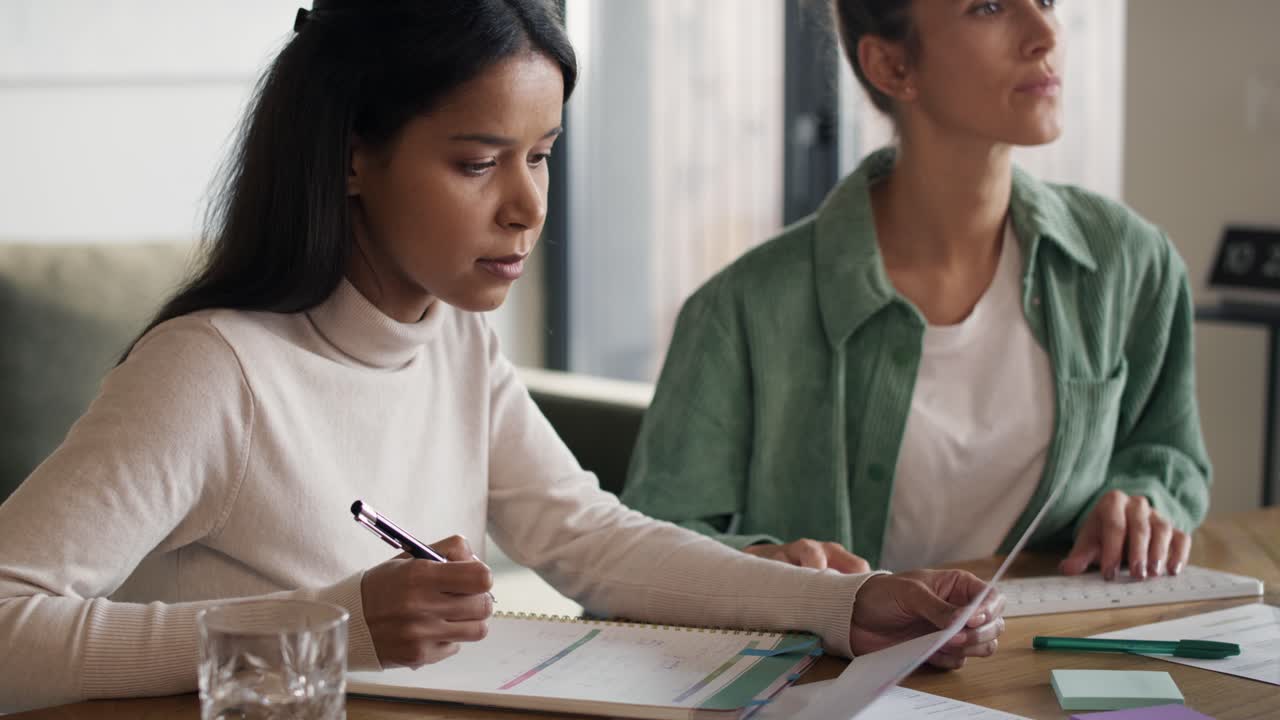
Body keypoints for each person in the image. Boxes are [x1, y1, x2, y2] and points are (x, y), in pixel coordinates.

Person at [0, 0, 1006, 712]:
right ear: (352, 157)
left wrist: (843, 604)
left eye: (541, 155)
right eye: (478, 161)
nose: (526, 206)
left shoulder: (453, 340)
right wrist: (332, 623)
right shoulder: (212, 370)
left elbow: (593, 542)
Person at [623, 0, 1210, 581]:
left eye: (1047, 1)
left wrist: (1141, 499)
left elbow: (1165, 452)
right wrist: (761, 569)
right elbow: (649, 551)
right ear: (891, 66)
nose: (1044, 34)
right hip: (828, 648)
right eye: (989, 7)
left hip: (1064, 643)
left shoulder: (1129, 262)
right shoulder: (740, 311)